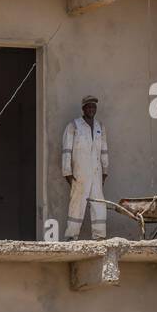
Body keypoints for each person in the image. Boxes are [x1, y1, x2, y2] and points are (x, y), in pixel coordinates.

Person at [61, 95, 109, 240]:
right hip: (79, 174)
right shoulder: (73, 126)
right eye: (88, 106)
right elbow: (66, 150)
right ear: (83, 109)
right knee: (77, 205)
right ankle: (71, 236)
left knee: (99, 204)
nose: (91, 109)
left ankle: (100, 237)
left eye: (93, 106)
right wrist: (67, 173)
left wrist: (105, 171)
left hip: (96, 172)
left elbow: (104, 150)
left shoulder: (100, 127)